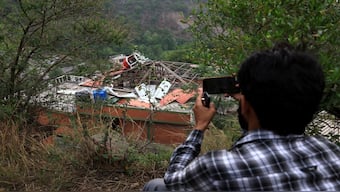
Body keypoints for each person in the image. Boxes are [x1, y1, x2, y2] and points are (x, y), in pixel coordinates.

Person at [143, 45, 340, 191]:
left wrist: (200, 126)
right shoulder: (331, 152)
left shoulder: (219, 167)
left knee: (157, 186)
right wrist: (251, 104)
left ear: (245, 106)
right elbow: (266, 139)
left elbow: (173, 180)